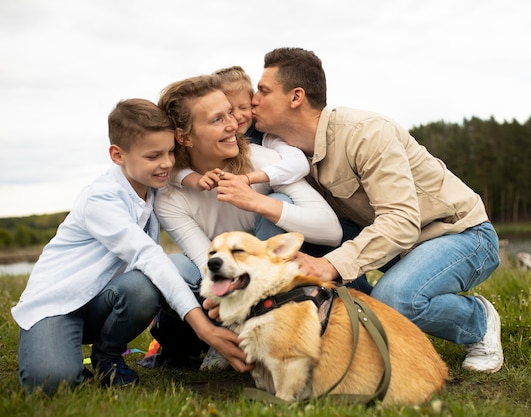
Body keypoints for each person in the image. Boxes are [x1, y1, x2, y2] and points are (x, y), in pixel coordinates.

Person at [250, 47, 504, 373]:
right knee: (295, 227)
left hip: (459, 233)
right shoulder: (285, 152)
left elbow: (401, 221)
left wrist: (330, 264)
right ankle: (363, 325)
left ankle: (477, 320)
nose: (253, 99)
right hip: (393, 243)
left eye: (263, 90)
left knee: (396, 299)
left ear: (296, 97)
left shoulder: (366, 132)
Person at [11, 99, 252, 396]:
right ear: (117, 155)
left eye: (169, 152)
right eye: (154, 155)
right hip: (58, 303)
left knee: (147, 283)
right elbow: (147, 255)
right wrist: (204, 328)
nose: (165, 162)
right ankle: (54, 347)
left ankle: (107, 356)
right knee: (51, 384)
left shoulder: (154, 183)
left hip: (105, 299)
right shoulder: (101, 198)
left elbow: (175, 171)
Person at [150, 74, 343, 365]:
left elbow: (331, 231)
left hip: (283, 284)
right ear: (184, 137)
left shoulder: (262, 161)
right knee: (174, 267)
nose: (233, 124)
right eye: (216, 120)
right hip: (228, 288)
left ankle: (276, 331)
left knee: (279, 203)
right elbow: (205, 262)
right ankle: (215, 338)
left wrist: (257, 201)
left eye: (230, 112)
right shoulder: (170, 196)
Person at [176, 66, 308, 191]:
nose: (237, 117)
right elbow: (172, 165)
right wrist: (194, 179)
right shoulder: (199, 140)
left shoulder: (263, 135)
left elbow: (299, 163)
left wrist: (249, 178)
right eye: (228, 111)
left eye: (244, 107)